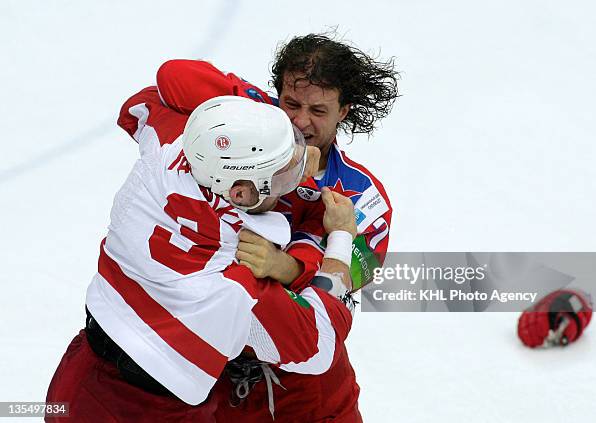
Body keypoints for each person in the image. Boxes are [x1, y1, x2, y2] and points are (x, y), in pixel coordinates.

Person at [134, 32, 400, 422]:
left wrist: (285, 266)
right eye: (291, 103)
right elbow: (172, 77)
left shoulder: (361, 194)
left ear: (344, 110)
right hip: (214, 366)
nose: (301, 121)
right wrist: (249, 101)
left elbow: (348, 279)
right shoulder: (242, 129)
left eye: (319, 110)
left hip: (308, 384)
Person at [45, 95, 359, 422]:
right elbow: (322, 343)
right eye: (279, 177)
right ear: (240, 194)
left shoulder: (165, 154)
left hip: (78, 380)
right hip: (156, 412)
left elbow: (142, 105)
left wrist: (236, 124)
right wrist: (339, 240)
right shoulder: (237, 281)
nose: (293, 183)